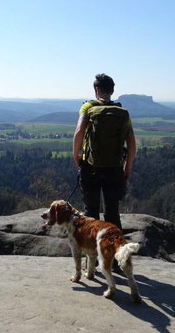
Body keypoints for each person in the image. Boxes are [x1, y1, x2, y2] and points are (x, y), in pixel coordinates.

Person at [72, 73, 136, 231]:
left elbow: (79, 131)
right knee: (112, 213)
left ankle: (92, 253)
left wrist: (76, 156)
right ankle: (116, 252)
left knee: (91, 213)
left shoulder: (88, 107)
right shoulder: (122, 112)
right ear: (112, 91)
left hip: (90, 167)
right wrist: (127, 167)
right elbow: (132, 143)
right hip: (114, 168)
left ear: (96, 89)